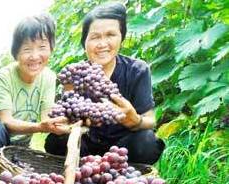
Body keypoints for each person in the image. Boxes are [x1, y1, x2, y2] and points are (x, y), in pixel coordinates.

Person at [45, 3, 165, 164]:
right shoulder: (75, 74)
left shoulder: (137, 70)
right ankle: (84, 171)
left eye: (110, 35)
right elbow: (66, 115)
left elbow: (150, 120)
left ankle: (121, 174)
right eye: (95, 37)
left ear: (121, 37)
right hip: (85, 142)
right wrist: (69, 122)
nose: (102, 44)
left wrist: (135, 120)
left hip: (122, 148)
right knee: (56, 141)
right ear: (84, 42)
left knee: (147, 142)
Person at [0, 14, 70, 184]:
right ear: (16, 52)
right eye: (27, 49)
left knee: (62, 138)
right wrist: (40, 127)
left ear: (51, 49)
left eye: (42, 47)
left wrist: (67, 123)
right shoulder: (2, 77)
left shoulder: (49, 77)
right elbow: (7, 121)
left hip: (20, 149)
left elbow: (46, 118)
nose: (35, 55)